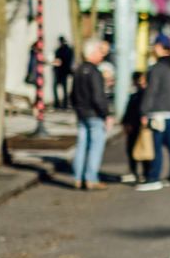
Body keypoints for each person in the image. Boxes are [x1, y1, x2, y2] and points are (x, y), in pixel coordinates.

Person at [136, 34, 170, 191]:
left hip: (158, 112)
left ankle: (153, 177)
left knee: (155, 146)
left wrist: (144, 111)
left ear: (159, 47)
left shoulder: (158, 68)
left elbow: (152, 91)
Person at [70, 38, 112, 190]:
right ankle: (91, 178)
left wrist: (78, 109)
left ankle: (77, 177)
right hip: (94, 114)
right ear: (92, 52)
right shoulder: (94, 72)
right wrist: (106, 114)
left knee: (81, 146)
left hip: (81, 114)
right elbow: (98, 96)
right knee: (95, 147)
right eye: (100, 52)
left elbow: (72, 95)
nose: (102, 55)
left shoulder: (78, 70)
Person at [121, 71, 150, 184]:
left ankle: (146, 173)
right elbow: (128, 111)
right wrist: (125, 123)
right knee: (131, 150)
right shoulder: (134, 95)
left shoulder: (146, 94)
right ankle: (133, 171)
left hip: (141, 126)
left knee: (144, 150)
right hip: (133, 126)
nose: (140, 83)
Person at [52, 36, 74, 109]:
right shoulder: (69, 50)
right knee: (64, 88)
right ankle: (64, 104)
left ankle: (57, 103)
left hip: (59, 71)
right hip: (64, 71)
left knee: (56, 87)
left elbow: (58, 61)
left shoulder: (59, 50)